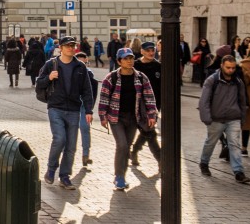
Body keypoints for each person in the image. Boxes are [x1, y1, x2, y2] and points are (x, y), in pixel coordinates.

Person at [36, 37, 94, 190]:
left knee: (71, 145)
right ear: (60, 48)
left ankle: (65, 176)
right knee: (60, 138)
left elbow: (87, 91)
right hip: (55, 107)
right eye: (68, 46)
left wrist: (88, 110)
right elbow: (39, 84)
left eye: (73, 45)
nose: (71, 48)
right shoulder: (51, 64)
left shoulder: (80, 66)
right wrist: (49, 77)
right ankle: (51, 169)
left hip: (74, 109)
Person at [98, 48, 158, 190]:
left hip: (133, 117)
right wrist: (103, 116)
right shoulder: (111, 78)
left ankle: (122, 176)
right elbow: (104, 98)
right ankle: (119, 177)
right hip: (116, 117)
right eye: (125, 58)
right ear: (119, 61)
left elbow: (149, 97)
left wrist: (151, 115)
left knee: (127, 147)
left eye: (131, 58)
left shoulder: (141, 77)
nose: (129, 61)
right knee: (122, 145)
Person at [198, 55, 250, 183]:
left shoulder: (238, 82)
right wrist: (207, 118)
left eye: (233, 68)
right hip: (216, 119)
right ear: (222, 65)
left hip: (233, 118)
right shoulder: (212, 80)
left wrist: (242, 118)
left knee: (235, 145)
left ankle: (238, 172)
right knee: (211, 142)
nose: (230, 70)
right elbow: (203, 101)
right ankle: (204, 163)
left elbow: (242, 101)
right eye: (228, 67)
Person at [130, 41, 162, 167]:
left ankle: (134, 151)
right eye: (147, 50)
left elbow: (161, 87)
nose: (150, 53)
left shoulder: (158, 66)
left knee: (147, 131)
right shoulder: (135, 66)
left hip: (153, 105)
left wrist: (158, 106)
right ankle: (161, 160)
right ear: (142, 51)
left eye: (152, 50)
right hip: (138, 104)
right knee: (149, 132)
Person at [74, 51, 99, 167]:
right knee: (71, 131)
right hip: (73, 105)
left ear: (86, 61)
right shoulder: (72, 72)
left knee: (85, 128)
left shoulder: (89, 74)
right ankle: (68, 154)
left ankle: (85, 155)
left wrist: (90, 108)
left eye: (82, 61)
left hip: (84, 106)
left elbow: (93, 92)